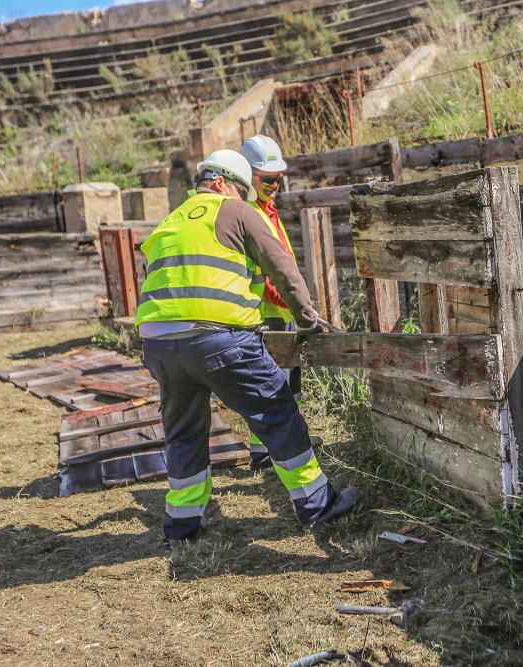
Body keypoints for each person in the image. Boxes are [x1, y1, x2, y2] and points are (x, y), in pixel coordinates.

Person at [134, 149, 360, 548]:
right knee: (277, 410)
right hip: (219, 338)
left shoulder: (170, 221)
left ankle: (183, 527)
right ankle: (317, 504)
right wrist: (307, 320)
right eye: (242, 190)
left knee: (185, 431)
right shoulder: (237, 212)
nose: (246, 197)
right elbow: (282, 267)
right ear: (222, 183)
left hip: (160, 345)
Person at [239, 134, 308, 470]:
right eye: (267, 179)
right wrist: (289, 300)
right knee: (271, 384)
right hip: (268, 313)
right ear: (246, 176)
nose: (274, 184)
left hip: (284, 309)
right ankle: (264, 452)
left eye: (278, 178)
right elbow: (262, 272)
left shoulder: (268, 210)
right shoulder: (247, 213)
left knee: (289, 381)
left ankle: (290, 439)